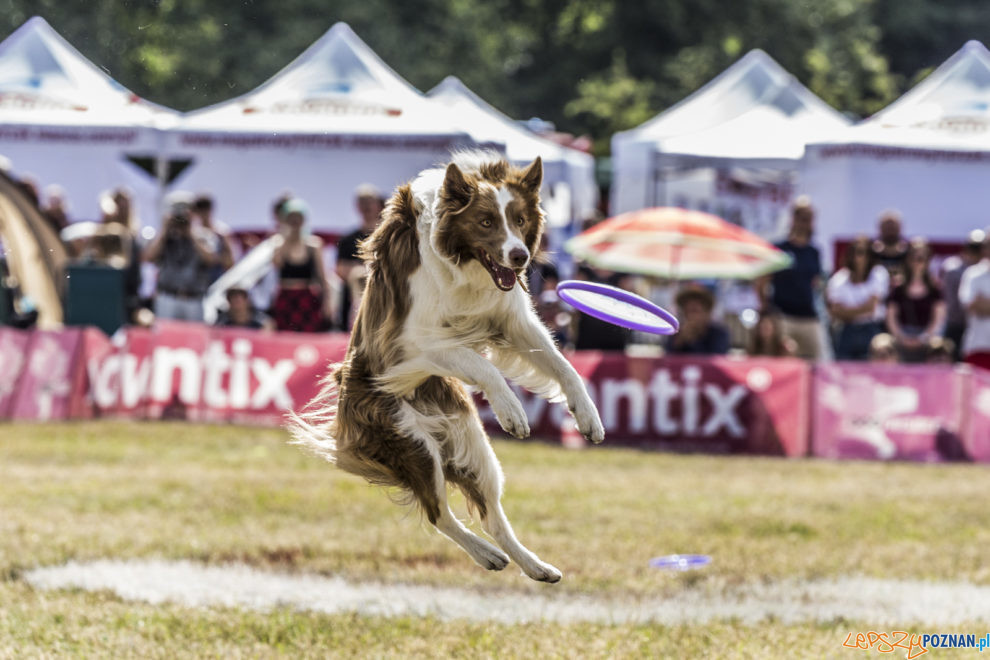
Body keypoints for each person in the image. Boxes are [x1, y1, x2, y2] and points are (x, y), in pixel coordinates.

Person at [762, 196, 825, 360]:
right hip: (783, 318)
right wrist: (767, 312)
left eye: (809, 218)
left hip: (809, 317)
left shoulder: (814, 252)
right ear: (793, 218)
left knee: (815, 363)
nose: (805, 222)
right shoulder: (779, 249)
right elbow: (762, 282)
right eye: (801, 217)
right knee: (783, 362)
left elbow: (815, 283)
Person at [143, 193, 221, 322]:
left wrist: (191, 232)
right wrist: (164, 229)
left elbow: (211, 260)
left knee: (193, 338)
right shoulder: (163, 237)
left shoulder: (203, 235)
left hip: (193, 298)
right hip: (167, 296)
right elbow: (148, 257)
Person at [271, 198, 333, 332]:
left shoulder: (314, 245)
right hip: (285, 298)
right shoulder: (278, 244)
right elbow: (277, 264)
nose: (295, 222)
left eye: (298, 218)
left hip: (307, 299)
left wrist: (327, 302)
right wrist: (286, 238)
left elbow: (323, 277)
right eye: (290, 218)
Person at [825, 236, 889, 361]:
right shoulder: (838, 279)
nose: (857, 257)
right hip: (846, 331)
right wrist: (860, 310)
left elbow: (870, 308)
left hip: (871, 329)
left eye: (861, 253)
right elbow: (834, 311)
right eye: (853, 252)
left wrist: (846, 312)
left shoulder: (879, 274)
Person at [886, 238, 945, 363]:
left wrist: (924, 338)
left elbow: (939, 318)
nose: (917, 263)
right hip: (902, 339)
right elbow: (891, 317)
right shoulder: (898, 287)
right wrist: (902, 337)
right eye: (913, 258)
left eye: (921, 259)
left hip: (927, 340)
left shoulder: (935, 288)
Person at [336, 184, 384, 329]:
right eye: (362, 202)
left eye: (370, 201)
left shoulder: (387, 237)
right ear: (357, 207)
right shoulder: (347, 239)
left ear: (378, 205)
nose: (366, 206)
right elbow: (340, 270)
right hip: (353, 301)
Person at [940, 230, 984, 361]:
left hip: (977, 330)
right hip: (956, 325)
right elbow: (967, 303)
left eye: (980, 248)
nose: (977, 252)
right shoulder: (953, 269)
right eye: (973, 248)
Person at [666, 285, 730, 355]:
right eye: (687, 311)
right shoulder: (675, 332)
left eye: (695, 311)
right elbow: (668, 356)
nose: (691, 316)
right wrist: (680, 341)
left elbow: (717, 356)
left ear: (707, 312)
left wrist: (693, 341)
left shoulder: (719, 332)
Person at [958, 233, 990, 370]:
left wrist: (983, 303)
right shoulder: (972, 274)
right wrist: (978, 305)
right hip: (977, 347)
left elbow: (980, 306)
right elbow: (970, 305)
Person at [871, 209, 909, 286]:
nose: (890, 230)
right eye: (887, 226)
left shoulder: (910, 251)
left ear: (900, 227)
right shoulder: (870, 251)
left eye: (893, 227)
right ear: (880, 228)